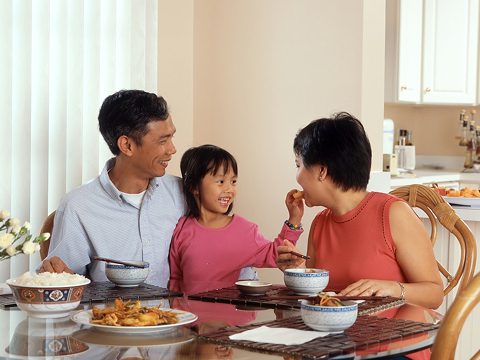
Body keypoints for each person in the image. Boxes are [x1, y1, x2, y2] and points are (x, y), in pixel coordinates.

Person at [276, 112, 443, 309]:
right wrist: (299, 271)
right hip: (335, 337)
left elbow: (435, 294)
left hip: (393, 336)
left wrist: (391, 289)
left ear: (322, 171)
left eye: (299, 165)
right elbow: (321, 299)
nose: (297, 177)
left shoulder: (394, 214)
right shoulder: (320, 223)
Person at [39, 90, 185, 287]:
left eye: (171, 137)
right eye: (162, 140)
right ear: (127, 145)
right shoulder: (78, 206)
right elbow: (62, 282)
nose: (172, 149)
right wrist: (55, 276)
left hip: (176, 316)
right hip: (108, 315)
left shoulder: (182, 193)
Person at [168, 144, 304, 295]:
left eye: (233, 182)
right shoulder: (182, 228)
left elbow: (276, 254)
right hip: (190, 316)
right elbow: (175, 279)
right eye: (220, 181)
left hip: (230, 316)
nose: (230, 189)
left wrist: (294, 218)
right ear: (194, 187)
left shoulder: (245, 231)